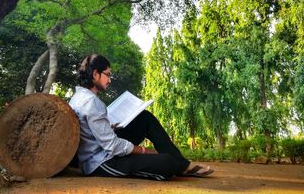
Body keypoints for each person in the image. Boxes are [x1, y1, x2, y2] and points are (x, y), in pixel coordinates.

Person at [69, 54, 213, 180]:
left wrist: (110, 127)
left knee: (144, 118)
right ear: (95, 74)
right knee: (167, 163)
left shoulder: (77, 98)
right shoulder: (92, 102)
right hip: (102, 162)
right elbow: (112, 146)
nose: (110, 80)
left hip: (103, 149)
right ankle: (178, 165)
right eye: (107, 74)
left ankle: (182, 165)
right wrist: (143, 150)